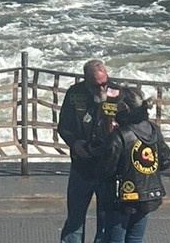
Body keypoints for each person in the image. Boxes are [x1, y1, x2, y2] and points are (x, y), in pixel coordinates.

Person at [57, 59, 124, 243]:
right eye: (96, 85)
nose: (102, 89)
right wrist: (74, 143)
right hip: (82, 167)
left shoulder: (117, 93)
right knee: (75, 220)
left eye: (105, 83)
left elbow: (128, 127)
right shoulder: (74, 93)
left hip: (108, 169)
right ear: (86, 80)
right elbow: (64, 126)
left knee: (106, 222)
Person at [97, 88, 170, 243]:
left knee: (114, 239)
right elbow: (165, 159)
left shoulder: (119, 136)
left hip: (121, 199)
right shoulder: (153, 130)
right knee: (135, 239)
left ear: (123, 110)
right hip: (147, 195)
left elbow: (106, 170)